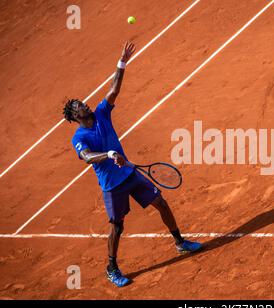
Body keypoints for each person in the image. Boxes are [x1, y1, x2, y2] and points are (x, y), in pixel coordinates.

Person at [63, 41, 202, 287]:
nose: (85, 105)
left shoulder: (101, 113)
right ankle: (111, 267)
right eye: (79, 107)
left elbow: (114, 89)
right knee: (117, 227)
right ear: (75, 117)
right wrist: (107, 154)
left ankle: (180, 242)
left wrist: (121, 62)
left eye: (83, 103)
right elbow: (86, 157)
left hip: (128, 173)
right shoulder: (79, 137)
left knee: (161, 203)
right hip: (111, 185)